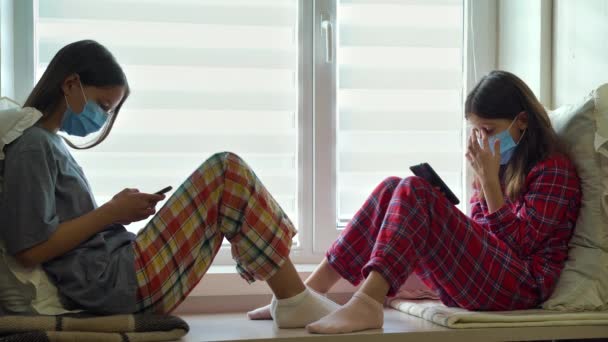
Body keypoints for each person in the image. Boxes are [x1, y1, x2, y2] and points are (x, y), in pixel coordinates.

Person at [0, 40, 339, 328]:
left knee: (226, 174)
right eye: (103, 105)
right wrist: (110, 213)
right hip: (112, 284)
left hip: (116, 272)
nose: (101, 118)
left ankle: (292, 297)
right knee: (226, 171)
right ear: (71, 84)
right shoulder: (33, 144)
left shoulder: (49, 144)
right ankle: (293, 298)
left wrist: (115, 212)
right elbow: (30, 249)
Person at [248, 70, 582, 334]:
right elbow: (484, 236)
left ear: (521, 122)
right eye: (476, 132)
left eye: (489, 130)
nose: (483, 140)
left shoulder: (554, 170)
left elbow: (519, 247)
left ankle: (368, 302)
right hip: (489, 279)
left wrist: (489, 184)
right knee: (393, 187)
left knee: (415, 190)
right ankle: (303, 295)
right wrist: (478, 190)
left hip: (522, 288)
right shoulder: (500, 169)